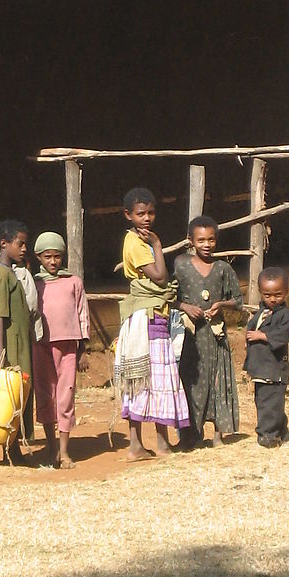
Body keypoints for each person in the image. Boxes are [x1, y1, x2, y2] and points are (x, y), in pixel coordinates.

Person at [113, 187, 189, 461]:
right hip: (147, 317)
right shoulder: (137, 243)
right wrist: (157, 245)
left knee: (151, 380)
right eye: (141, 214)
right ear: (128, 215)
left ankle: (155, 443)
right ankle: (144, 445)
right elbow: (159, 277)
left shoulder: (137, 241)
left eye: (151, 213)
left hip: (151, 315)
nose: (146, 218)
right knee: (149, 379)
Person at [173, 216, 243, 447]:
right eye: (201, 240)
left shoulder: (223, 268)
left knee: (218, 381)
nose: (206, 244)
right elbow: (170, 297)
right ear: (190, 240)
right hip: (190, 338)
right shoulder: (181, 266)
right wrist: (185, 307)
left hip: (215, 337)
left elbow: (238, 300)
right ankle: (190, 435)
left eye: (211, 240)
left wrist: (220, 305)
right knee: (190, 383)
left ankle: (218, 435)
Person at [32, 231, 89, 469]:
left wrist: (83, 348)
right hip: (41, 346)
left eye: (57, 256)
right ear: (38, 257)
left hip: (68, 347)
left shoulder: (73, 282)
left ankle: (64, 452)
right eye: (48, 257)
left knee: (66, 396)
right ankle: (51, 447)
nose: (53, 261)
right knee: (45, 395)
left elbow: (82, 314)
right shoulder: (34, 284)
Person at [0, 219, 34, 458]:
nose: (24, 249)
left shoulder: (11, 273)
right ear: (4, 243)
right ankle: (10, 449)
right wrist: (0, 354)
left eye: (25, 244)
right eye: (20, 244)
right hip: (9, 345)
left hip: (20, 343)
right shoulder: (0, 275)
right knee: (11, 396)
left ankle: (15, 446)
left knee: (20, 394)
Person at [244, 266, 289, 448]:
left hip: (274, 370)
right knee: (264, 402)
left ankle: (268, 437)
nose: (272, 299)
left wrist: (262, 336)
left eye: (277, 295)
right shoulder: (261, 312)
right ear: (260, 292)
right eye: (267, 295)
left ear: (286, 292)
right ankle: (283, 434)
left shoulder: (285, 316)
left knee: (270, 404)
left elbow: (283, 336)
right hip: (260, 368)